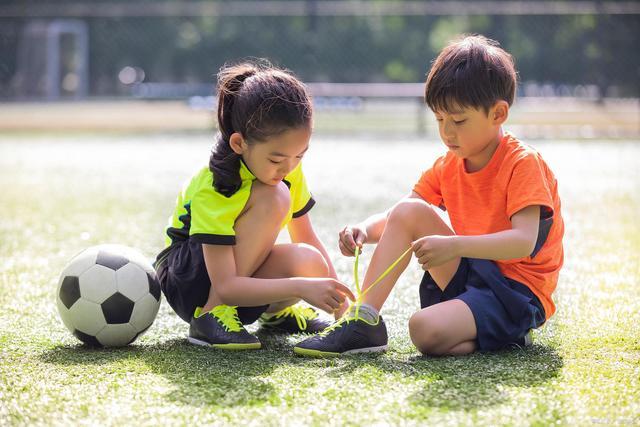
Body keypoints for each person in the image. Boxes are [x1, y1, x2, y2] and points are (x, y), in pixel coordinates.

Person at [294, 35, 564, 357]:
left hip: (514, 293)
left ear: (498, 113)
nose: (447, 132)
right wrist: (365, 230)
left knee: (423, 330)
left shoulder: (522, 163)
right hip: (475, 275)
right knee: (410, 210)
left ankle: (508, 332)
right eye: (440, 119)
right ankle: (365, 320)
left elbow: (522, 240)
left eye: (459, 120)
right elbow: (402, 215)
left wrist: (455, 245)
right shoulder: (449, 164)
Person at [155, 61, 354, 350]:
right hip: (188, 280)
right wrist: (300, 286)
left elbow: (306, 237)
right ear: (239, 143)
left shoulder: (287, 168)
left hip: (238, 280)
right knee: (275, 196)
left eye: (300, 156)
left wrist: (343, 307)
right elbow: (226, 285)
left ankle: (275, 314)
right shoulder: (215, 186)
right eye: (277, 159)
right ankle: (210, 316)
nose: (288, 167)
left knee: (310, 260)